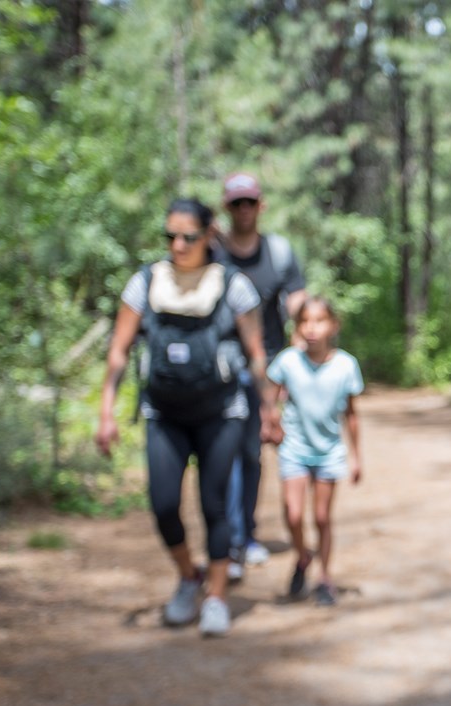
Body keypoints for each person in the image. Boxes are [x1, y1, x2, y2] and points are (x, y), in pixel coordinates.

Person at [96, 197, 274, 637]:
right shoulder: (144, 283)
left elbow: (256, 354)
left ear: (209, 234)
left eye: (188, 236)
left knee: (214, 505)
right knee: (162, 505)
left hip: (221, 412)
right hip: (164, 411)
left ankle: (215, 597)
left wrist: (269, 409)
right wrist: (106, 411)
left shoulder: (233, 286)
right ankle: (187, 575)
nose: (178, 244)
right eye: (170, 236)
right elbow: (119, 351)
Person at [217, 172, 307, 581]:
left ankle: (244, 534)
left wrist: (293, 371)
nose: (244, 210)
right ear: (226, 208)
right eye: (236, 203)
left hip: (264, 367)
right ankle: (232, 539)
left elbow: (298, 312)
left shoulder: (280, 254)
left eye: (249, 202)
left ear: (260, 205)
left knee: (251, 451)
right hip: (217, 364)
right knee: (227, 451)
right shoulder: (213, 253)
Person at [263, 297, 364, 606]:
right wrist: (270, 420)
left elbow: (351, 414)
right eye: (305, 321)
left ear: (333, 326)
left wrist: (356, 456)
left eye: (319, 321)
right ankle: (303, 555)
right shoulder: (287, 361)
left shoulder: (346, 365)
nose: (311, 328)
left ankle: (324, 578)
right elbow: (269, 397)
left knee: (322, 518)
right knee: (293, 515)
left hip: (329, 452)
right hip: (294, 448)